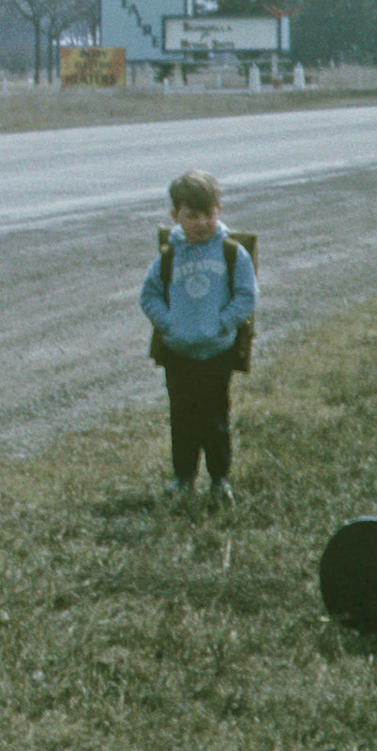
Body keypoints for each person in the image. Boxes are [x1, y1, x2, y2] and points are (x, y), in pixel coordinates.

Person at [140, 169, 257, 509]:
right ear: (175, 216)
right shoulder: (169, 256)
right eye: (192, 216)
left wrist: (224, 323)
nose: (202, 222)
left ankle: (220, 480)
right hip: (179, 352)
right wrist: (169, 325)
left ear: (219, 210)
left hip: (216, 352)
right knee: (182, 417)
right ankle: (183, 477)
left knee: (215, 418)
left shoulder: (232, 253)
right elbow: (148, 296)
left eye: (209, 214)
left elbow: (247, 295)